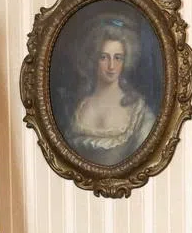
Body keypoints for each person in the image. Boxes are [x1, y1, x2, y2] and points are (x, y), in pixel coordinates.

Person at [65, 18, 157, 165]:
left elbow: (149, 160)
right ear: (94, 59)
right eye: (103, 57)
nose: (111, 66)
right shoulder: (80, 105)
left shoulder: (138, 111)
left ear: (126, 61)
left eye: (118, 58)